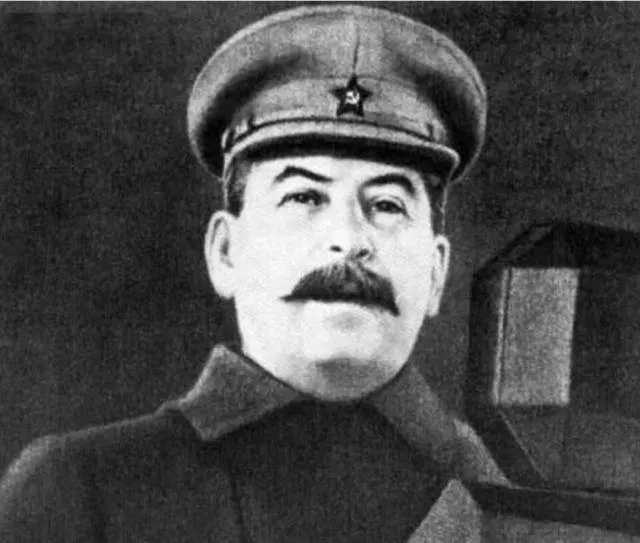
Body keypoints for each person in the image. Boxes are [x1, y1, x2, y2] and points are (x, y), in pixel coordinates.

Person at [0, 4, 504, 542]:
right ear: (226, 252)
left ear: (437, 271)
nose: (349, 238)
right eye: (304, 197)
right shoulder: (80, 494)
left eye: (386, 205)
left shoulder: (515, 503)